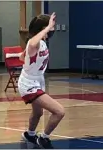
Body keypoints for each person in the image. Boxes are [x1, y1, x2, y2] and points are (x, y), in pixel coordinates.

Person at [17, 12, 65, 149]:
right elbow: (31, 43)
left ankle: (30, 135)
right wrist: (47, 27)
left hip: (37, 80)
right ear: (43, 29)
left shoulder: (41, 43)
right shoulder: (33, 43)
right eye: (51, 27)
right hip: (28, 84)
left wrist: (28, 61)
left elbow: (22, 57)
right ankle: (44, 138)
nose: (53, 30)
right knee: (59, 111)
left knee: (38, 113)